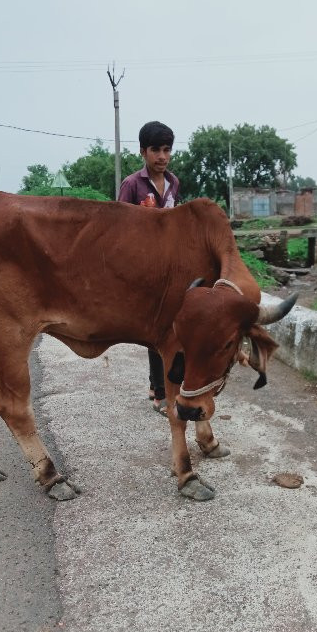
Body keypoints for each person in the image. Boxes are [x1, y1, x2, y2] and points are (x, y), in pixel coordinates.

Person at [118, 121, 180, 416]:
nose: (162, 156)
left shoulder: (174, 183)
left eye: (167, 149)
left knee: (168, 328)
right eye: (156, 149)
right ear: (143, 152)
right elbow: (118, 228)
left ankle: (161, 387)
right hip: (142, 268)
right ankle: (159, 392)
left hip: (169, 267)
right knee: (156, 331)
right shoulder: (132, 184)